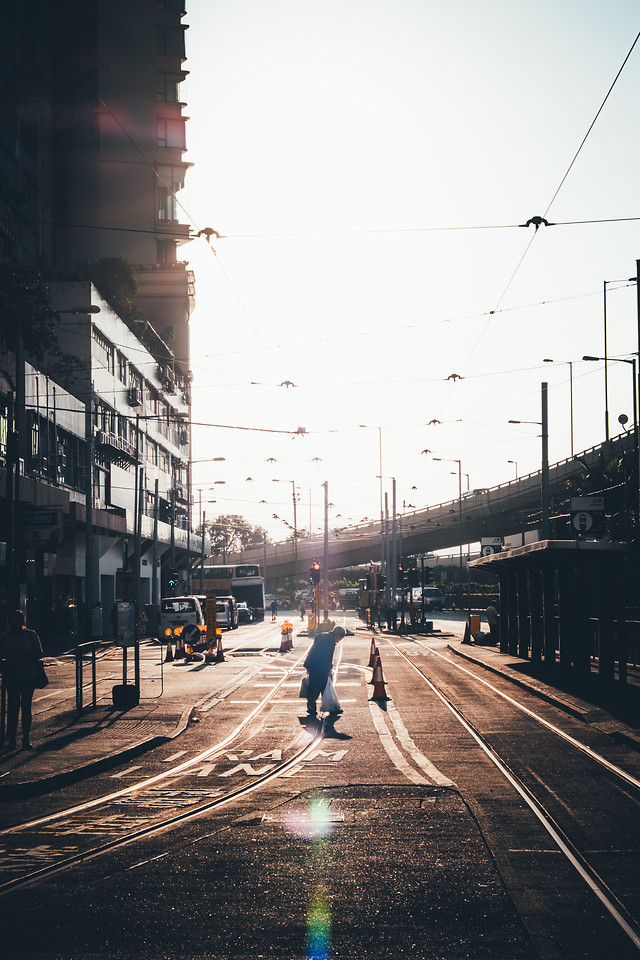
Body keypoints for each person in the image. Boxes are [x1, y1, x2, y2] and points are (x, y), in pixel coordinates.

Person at [0, 610, 45, 751]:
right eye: (13, 621)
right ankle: (12, 739)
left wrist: (28, 654)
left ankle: (26, 739)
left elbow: (40, 652)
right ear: (9, 622)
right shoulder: (4, 638)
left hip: (28, 676)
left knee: (26, 708)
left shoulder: (31, 635)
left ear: (23, 621)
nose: (16, 624)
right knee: (12, 709)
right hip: (12, 677)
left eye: (18, 621)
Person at [303, 625, 345, 718]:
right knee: (322, 685)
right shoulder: (330, 642)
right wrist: (328, 669)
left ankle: (312, 707)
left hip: (312, 664)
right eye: (340, 639)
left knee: (314, 685)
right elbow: (327, 656)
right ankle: (331, 706)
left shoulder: (323, 637)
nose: (338, 641)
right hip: (319, 666)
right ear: (339, 636)